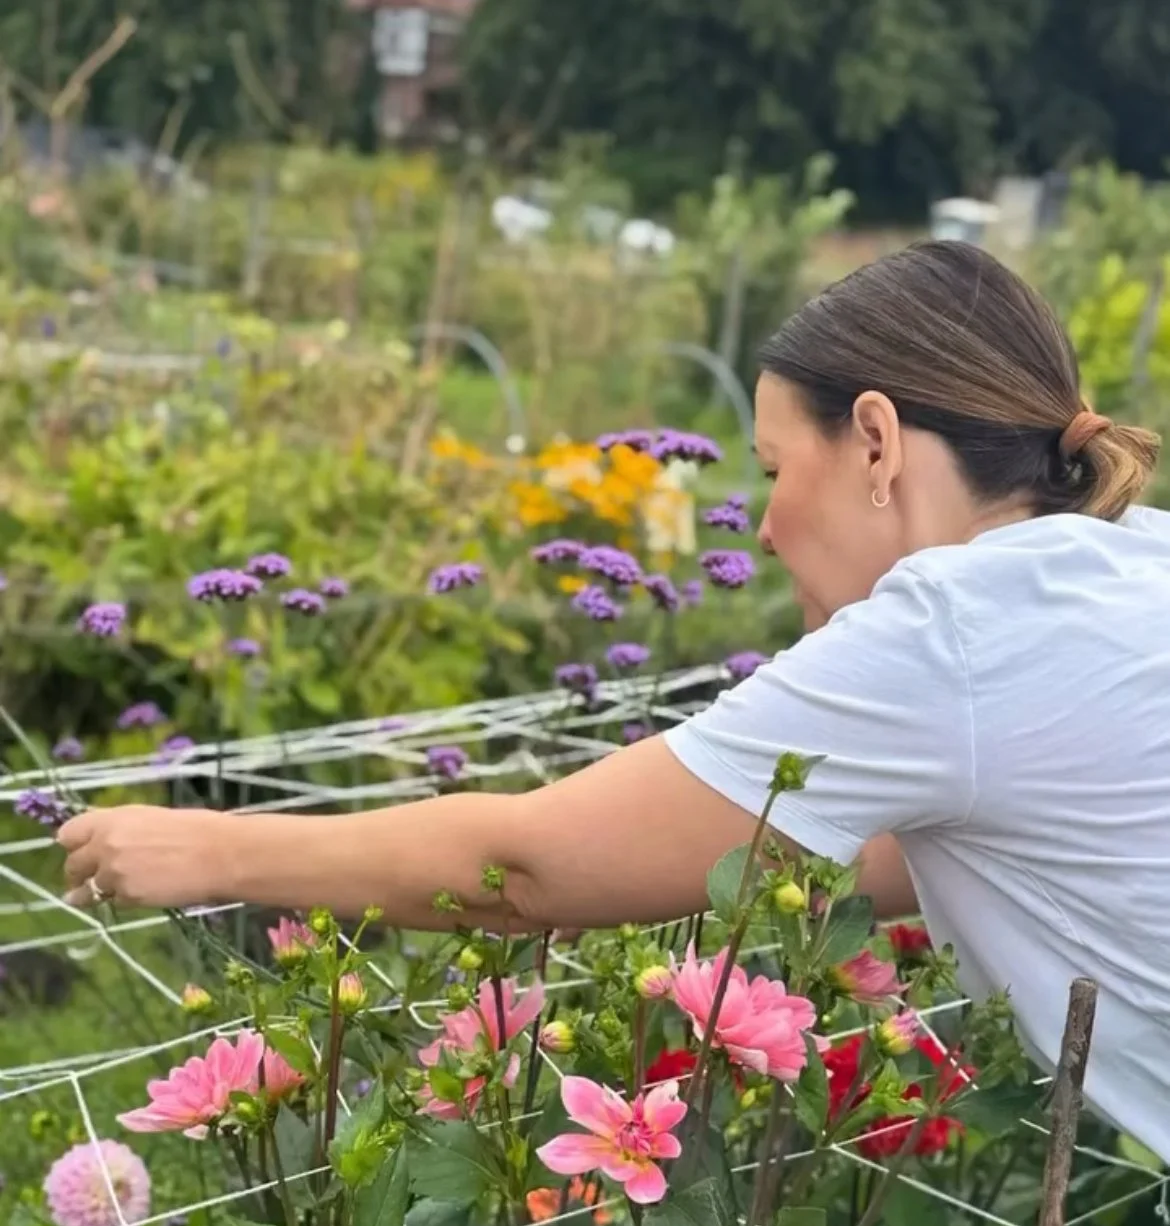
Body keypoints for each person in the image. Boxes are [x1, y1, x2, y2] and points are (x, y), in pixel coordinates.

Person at [58, 240, 1170, 1162]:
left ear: (876, 441)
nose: (767, 525)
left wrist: (210, 852)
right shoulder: (1128, 562)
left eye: (774, 469)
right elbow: (882, 855)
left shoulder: (954, 625)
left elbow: (533, 869)